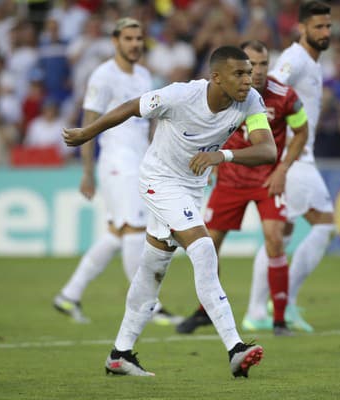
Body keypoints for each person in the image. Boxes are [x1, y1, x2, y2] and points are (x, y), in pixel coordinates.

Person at [62, 45, 277, 377]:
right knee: (204, 249)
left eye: (249, 73)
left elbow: (267, 149)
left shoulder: (250, 101)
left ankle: (119, 355)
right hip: (158, 179)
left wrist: (224, 157)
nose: (248, 80)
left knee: (153, 269)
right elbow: (132, 107)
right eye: (240, 73)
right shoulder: (180, 95)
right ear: (216, 77)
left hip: (190, 189)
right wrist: (87, 133)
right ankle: (235, 348)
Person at [175, 40, 308, 336]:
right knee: (206, 246)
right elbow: (205, 125)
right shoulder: (224, 94)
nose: (257, 72)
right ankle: (204, 311)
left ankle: (280, 319)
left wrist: (284, 169)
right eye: (252, 65)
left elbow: (302, 131)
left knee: (274, 239)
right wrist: (210, 160)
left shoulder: (285, 96)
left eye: (263, 64)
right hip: (231, 179)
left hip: (266, 180)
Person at [53, 18, 181, 326]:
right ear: (115, 41)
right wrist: (87, 172)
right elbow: (88, 126)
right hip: (116, 164)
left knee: (115, 234)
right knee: (135, 232)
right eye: (129, 38)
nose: (135, 44)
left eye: (139, 38)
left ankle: (69, 296)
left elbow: (147, 122)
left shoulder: (143, 74)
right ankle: (148, 306)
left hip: (138, 162)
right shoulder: (103, 76)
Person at [247, 0, 334, 333]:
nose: (325, 32)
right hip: (293, 158)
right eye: (319, 27)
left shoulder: (311, 61)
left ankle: (257, 310)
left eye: (328, 26)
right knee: (325, 225)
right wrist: (272, 153)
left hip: (295, 156)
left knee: (279, 235)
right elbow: (265, 87)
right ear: (302, 28)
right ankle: (287, 301)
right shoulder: (294, 59)